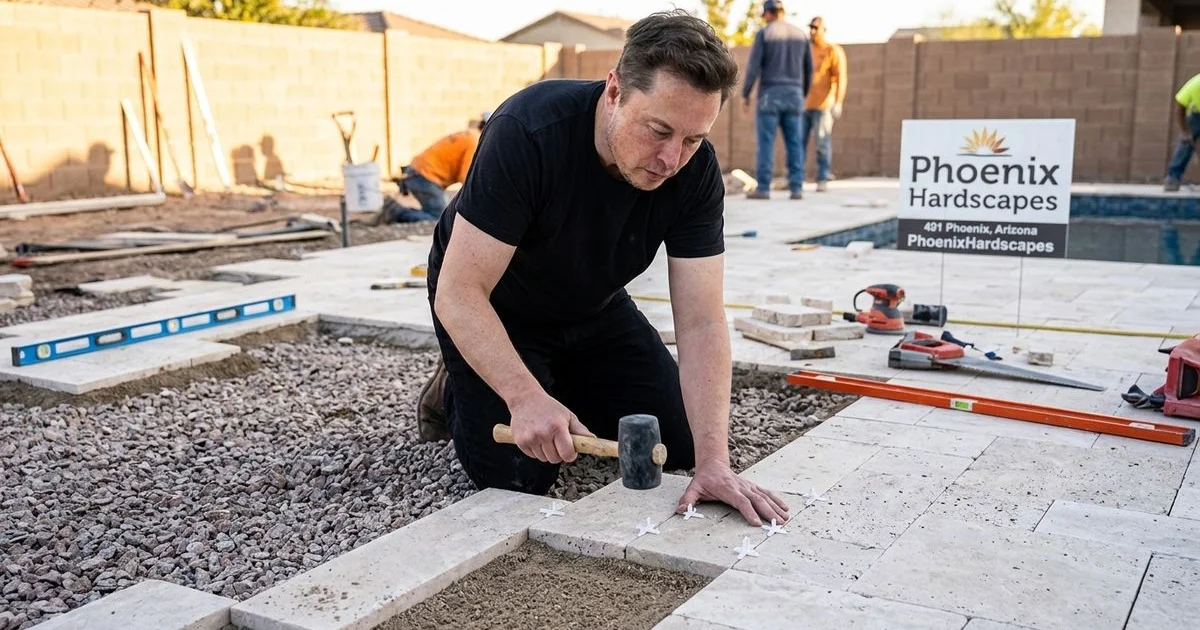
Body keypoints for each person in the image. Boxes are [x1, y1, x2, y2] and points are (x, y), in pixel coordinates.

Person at [416, 10, 790, 528]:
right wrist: (524, 397)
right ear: (614, 90)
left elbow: (703, 319)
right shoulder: (527, 132)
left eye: (692, 139)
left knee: (676, 443)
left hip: (594, 302)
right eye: (658, 130)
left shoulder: (694, 172)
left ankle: (557, 375)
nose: (671, 158)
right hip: (500, 305)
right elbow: (459, 292)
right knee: (520, 474)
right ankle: (462, 380)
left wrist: (714, 462)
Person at [740, 0, 813, 200]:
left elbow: (754, 66)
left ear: (769, 13)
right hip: (794, 95)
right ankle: (796, 188)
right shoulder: (801, 35)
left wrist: (745, 93)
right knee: (795, 143)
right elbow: (809, 70)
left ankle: (763, 188)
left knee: (766, 143)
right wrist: (802, 93)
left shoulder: (765, 33)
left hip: (770, 95)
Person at [389, 113, 490, 222]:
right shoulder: (474, 142)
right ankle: (396, 212)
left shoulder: (470, 135)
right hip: (424, 177)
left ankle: (400, 212)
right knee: (439, 218)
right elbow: (465, 177)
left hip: (420, 173)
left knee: (440, 213)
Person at [801, 17, 847, 193]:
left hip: (824, 106)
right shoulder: (806, 50)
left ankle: (822, 177)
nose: (812, 31)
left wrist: (838, 102)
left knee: (822, 143)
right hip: (804, 105)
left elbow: (840, 78)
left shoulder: (832, 51)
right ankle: (797, 178)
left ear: (823, 30)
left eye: (816, 28)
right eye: (811, 28)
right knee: (799, 144)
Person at [1164, 72, 1200, 192]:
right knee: (1185, 145)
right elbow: (1180, 108)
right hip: (1196, 115)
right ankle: (1173, 178)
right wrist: (1185, 132)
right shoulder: (1195, 84)